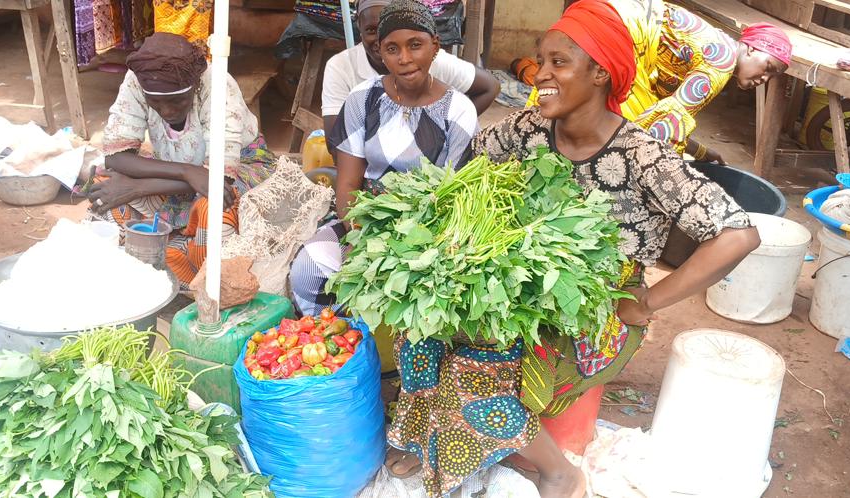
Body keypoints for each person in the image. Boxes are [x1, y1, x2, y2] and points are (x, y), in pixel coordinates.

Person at [384, 1, 762, 497]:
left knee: (480, 363)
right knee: (422, 328)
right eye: (541, 61)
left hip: (593, 303)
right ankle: (424, 433)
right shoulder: (527, 131)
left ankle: (557, 469)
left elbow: (739, 233)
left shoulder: (644, 156)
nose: (540, 75)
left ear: (602, 74)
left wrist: (646, 302)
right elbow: (465, 172)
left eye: (559, 64)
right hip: (519, 279)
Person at [290, 0, 478, 317]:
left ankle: (380, 340)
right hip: (364, 218)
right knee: (307, 274)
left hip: (428, 230)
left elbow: (452, 197)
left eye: (415, 45)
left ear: (435, 46)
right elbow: (349, 181)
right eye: (392, 49)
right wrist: (357, 237)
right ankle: (341, 338)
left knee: (410, 293)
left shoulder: (458, 111)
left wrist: (404, 248)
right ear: (381, 51)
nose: (404, 59)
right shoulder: (363, 98)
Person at [88, 33, 280, 288]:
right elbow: (116, 158)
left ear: (196, 85)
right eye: (155, 102)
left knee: (214, 206)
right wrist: (187, 172)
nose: (167, 111)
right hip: (179, 173)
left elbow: (217, 180)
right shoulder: (137, 80)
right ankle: (160, 254)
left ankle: (196, 278)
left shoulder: (217, 85)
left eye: (178, 100)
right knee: (105, 184)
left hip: (241, 167)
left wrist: (138, 187)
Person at [529, 0, 792, 163]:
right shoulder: (721, 61)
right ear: (750, 49)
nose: (764, 78)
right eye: (768, 66)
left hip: (608, 13)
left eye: (773, 76)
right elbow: (667, 126)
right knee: (603, 122)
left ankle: (534, 151)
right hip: (621, 29)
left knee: (575, 106)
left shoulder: (715, 47)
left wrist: (699, 151)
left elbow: (663, 111)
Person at [320, 0, 500, 138]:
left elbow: (490, 87)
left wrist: (450, 127)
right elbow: (336, 140)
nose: (380, 40)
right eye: (371, 30)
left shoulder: (429, 61)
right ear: (359, 28)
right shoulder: (341, 67)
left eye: (388, 30)